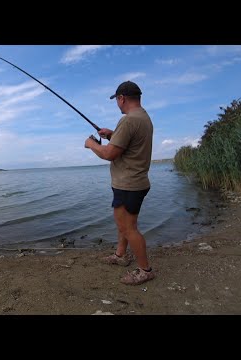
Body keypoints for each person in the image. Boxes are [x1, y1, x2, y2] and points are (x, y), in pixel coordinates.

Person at [84, 81, 155, 285]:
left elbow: (109, 153)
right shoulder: (143, 117)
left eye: (117, 99)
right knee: (124, 224)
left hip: (128, 183)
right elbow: (130, 143)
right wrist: (112, 135)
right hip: (135, 181)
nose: (117, 103)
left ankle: (145, 270)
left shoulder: (128, 120)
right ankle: (120, 255)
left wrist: (90, 145)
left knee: (127, 227)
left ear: (121, 98)